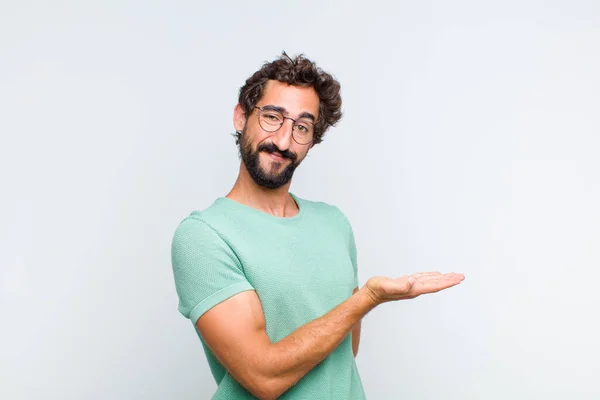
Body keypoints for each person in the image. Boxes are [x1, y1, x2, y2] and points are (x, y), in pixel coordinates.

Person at [170, 52, 465, 399]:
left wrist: (362, 302)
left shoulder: (333, 223)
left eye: (302, 127)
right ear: (241, 117)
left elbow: (343, 352)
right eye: (271, 117)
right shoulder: (203, 236)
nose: (283, 141)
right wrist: (367, 299)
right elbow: (263, 377)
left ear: (312, 140)